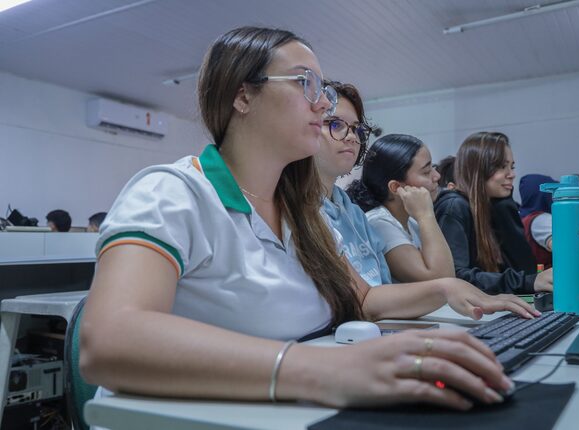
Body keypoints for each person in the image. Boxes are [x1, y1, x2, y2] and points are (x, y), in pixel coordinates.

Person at [80, 27, 534, 411]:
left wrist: (443, 287)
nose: (323, 105)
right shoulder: (172, 192)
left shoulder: (303, 213)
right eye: (306, 84)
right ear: (243, 95)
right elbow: (109, 341)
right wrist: (322, 370)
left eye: (325, 90)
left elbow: (362, 298)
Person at [434, 132, 553, 295]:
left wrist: (505, 208)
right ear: (478, 169)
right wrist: (526, 282)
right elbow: (457, 277)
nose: (512, 174)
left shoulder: (494, 206)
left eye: (512, 166)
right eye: (501, 167)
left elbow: (525, 267)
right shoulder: (454, 207)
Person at [347, 135, 455, 283]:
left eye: (433, 168)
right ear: (396, 187)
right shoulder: (379, 224)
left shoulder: (410, 221)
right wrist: (425, 215)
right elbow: (442, 281)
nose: (437, 176)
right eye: (426, 171)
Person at [314, 81, 391, 286]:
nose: (351, 137)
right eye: (335, 124)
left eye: (357, 129)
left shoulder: (355, 214)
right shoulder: (297, 208)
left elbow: (384, 282)